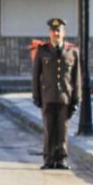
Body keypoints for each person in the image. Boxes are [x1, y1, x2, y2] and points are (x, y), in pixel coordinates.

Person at [32, 18, 80, 170]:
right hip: (48, 96)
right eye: (53, 31)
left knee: (63, 129)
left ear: (63, 32)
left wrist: (76, 99)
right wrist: (36, 96)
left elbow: (77, 77)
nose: (56, 33)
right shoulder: (42, 50)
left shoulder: (72, 51)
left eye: (58, 30)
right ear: (49, 32)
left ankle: (62, 159)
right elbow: (36, 75)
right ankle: (48, 159)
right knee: (49, 129)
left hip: (65, 97)